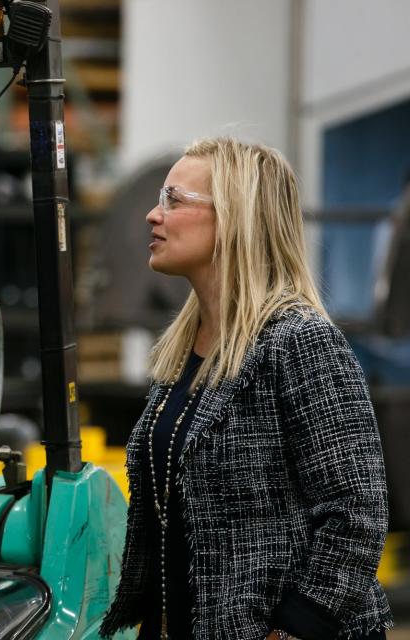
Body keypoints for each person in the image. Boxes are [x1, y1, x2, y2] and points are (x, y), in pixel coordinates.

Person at [100, 138, 392, 639]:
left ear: (234, 217)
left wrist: (292, 629)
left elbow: (357, 514)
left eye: (173, 200)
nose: (152, 215)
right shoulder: (183, 350)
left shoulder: (300, 342)